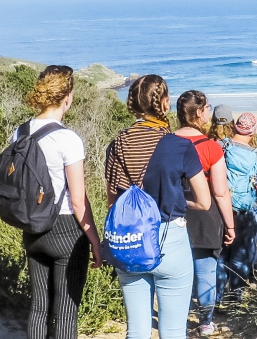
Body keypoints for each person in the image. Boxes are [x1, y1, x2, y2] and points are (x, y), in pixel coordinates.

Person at [105, 75, 214, 339]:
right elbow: (204, 200)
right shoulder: (180, 146)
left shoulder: (117, 144)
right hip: (170, 238)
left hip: (129, 239)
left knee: (137, 331)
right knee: (173, 331)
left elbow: (113, 201)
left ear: (131, 104)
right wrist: (175, 197)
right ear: (165, 104)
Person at [15, 65, 104, 339]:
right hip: (65, 229)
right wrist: (95, 241)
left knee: (39, 308)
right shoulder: (68, 139)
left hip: (32, 227)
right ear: (68, 97)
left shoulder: (19, 132)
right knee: (66, 310)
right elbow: (78, 201)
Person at [174, 92, 235, 336]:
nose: (209, 112)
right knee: (206, 271)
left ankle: (177, 316)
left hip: (175, 210)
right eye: (207, 107)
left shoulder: (166, 142)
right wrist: (230, 226)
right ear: (199, 113)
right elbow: (220, 192)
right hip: (206, 215)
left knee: (178, 271)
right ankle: (206, 321)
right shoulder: (211, 148)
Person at [218, 113, 257, 292]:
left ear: (235, 127)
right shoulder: (256, 155)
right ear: (253, 132)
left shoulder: (221, 147)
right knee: (241, 256)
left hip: (221, 208)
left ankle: (216, 299)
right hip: (249, 210)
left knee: (221, 255)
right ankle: (235, 299)